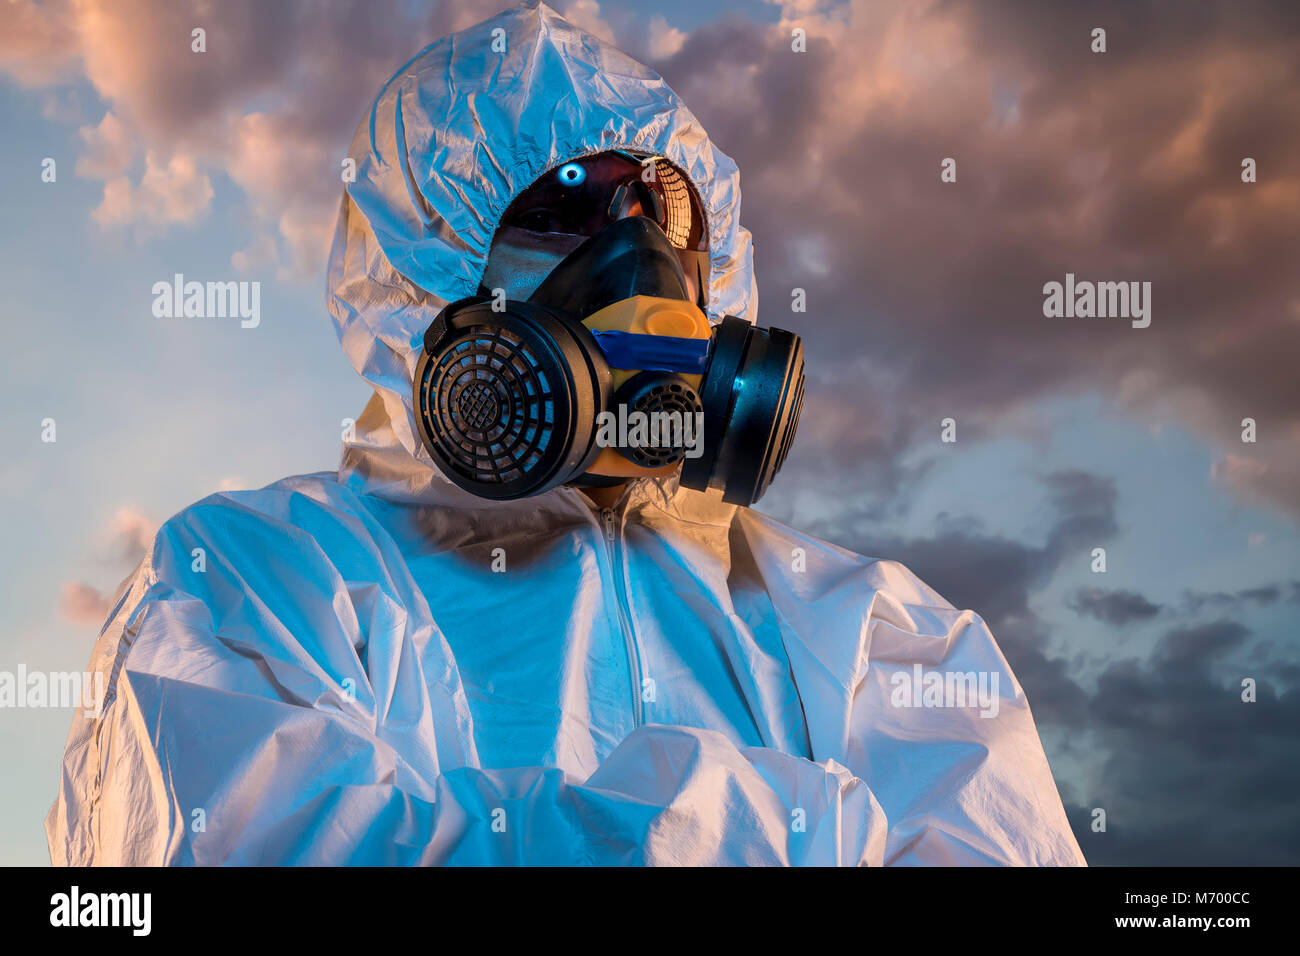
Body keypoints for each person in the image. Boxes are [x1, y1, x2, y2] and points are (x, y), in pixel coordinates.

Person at [46, 2, 1085, 866]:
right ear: (425, 284)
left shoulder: (871, 625)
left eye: (666, 231)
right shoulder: (257, 581)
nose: (642, 278)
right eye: (562, 226)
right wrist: (828, 823)